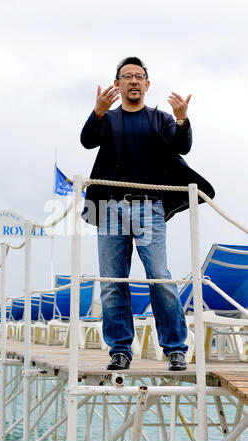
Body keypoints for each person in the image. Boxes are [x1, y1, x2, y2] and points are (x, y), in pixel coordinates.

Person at [80, 57, 215, 371]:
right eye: (126, 76)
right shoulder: (108, 119)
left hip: (149, 206)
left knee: (160, 277)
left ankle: (175, 349)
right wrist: (97, 111)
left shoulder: (159, 118)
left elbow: (183, 147)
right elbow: (87, 141)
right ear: (117, 85)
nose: (133, 81)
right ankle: (120, 350)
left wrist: (182, 120)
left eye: (138, 76)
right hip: (109, 207)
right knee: (112, 281)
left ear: (147, 84)